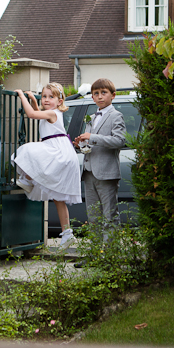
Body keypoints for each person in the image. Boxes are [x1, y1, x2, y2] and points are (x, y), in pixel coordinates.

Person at [12, 83, 82, 248]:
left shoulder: (53, 113)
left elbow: (31, 114)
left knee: (26, 151)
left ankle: (28, 179)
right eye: (44, 96)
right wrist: (33, 100)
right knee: (59, 198)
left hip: (57, 151)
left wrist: (22, 96)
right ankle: (67, 233)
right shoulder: (49, 112)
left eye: (51, 97)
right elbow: (37, 112)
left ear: (60, 101)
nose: (46, 99)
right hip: (58, 150)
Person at [72, 77, 126, 241]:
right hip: (89, 173)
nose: (100, 96)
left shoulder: (116, 116)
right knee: (93, 216)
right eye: (96, 93)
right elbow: (89, 147)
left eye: (104, 92)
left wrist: (93, 137)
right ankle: (95, 255)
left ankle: (108, 256)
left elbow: (119, 141)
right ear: (93, 97)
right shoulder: (91, 117)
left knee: (109, 215)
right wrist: (80, 146)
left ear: (113, 95)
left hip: (106, 173)